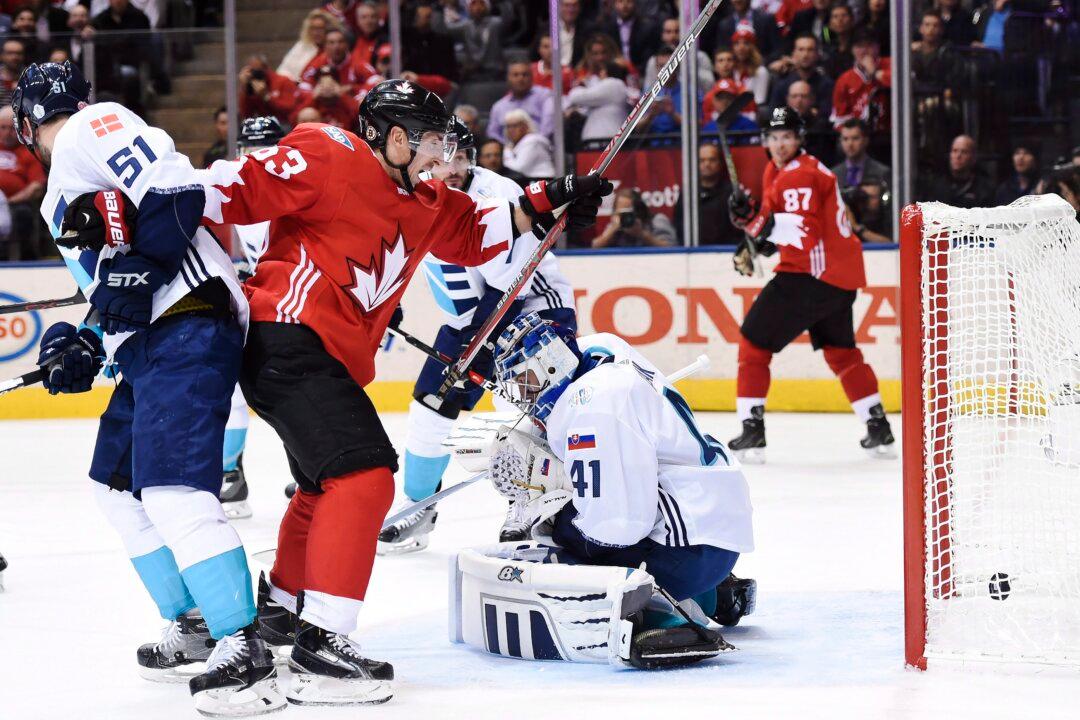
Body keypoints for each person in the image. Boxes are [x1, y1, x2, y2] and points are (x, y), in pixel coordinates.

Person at [198, 78, 611, 704]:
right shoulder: (330, 151)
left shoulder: (426, 200)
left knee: (321, 486)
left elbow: (483, 228)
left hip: (322, 355)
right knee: (365, 476)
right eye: (430, 143)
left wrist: (559, 196)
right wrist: (129, 222)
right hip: (286, 338)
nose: (441, 157)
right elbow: (226, 190)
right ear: (393, 137)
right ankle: (323, 644)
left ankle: (282, 607)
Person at [20, 61, 281, 715]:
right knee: (115, 487)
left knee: (170, 492)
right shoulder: (67, 180)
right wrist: (88, 341)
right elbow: (118, 274)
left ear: (27, 122)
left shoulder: (89, 125)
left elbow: (172, 189)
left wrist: (138, 268)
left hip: (187, 323)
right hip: (151, 343)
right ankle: (195, 623)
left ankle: (242, 646)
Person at [482, 313, 756, 667]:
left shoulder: (593, 408)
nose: (524, 395)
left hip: (693, 550)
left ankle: (664, 615)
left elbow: (618, 527)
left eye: (526, 382)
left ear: (551, 365)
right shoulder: (600, 350)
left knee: (563, 538)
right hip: (712, 523)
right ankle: (712, 593)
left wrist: (548, 511)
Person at [379, 119, 576, 553]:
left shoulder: (498, 196)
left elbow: (512, 284)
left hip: (533, 310)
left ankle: (534, 506)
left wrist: (476, 349)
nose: (451, 169)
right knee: (431, 401)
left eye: (462, 158)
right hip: (472, 318)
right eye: (442, 157)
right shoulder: (415, 188)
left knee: (524, 410)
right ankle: (419, 507)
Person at [727, 106, 895, 462]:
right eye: (774, 137)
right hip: (837, 277)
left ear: (799, 138)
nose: (780, 143)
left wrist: (753, 226)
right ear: (765, 141)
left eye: (787, 136)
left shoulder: (797, 176)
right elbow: (783, 227)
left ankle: (751, 428)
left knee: (753, 343)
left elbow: (803, 235)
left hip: (813, 276)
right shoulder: (780, 170)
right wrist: (754, 236)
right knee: (841, 352)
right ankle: (877, 424)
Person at [0, 104, 44, 260]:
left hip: (15, 203)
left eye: (11, 128)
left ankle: (24, 260)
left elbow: (36, 187)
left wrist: (7, 202)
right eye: (3, 128)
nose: (7, 133)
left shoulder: (28, 151)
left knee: (23, 214)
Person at [675, 144, 737, 245]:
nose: (707, 164)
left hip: (725, 251)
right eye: (702, 160)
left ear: (720, 163)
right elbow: (679, 226)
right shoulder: (688, 192)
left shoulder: (731, 192)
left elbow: (737, 230)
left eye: (712, 160)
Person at [918, 134, 994, 208]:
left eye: (964, 152)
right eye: (955, 151)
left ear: (973, 157)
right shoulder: (935, 186)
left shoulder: (984, 190)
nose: (958, 156)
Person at [767, 34, 833, 118]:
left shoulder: (827, 85)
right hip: (788, 128)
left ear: (817, 54)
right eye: (801, 49)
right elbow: (773, 115)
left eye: (810, 50)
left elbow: (827, 114)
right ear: (793, 53)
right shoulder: (782, 85)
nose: (805, 55)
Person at [487, 61, 554, 144]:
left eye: (525, 75)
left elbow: (548, 129)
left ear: (532, 77)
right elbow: (493, 135)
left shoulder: (544, 97)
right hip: (508, 151)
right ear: (508, 78)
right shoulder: (498, 107)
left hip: (538, 147)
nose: (520, 78)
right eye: (516, 75)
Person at [643, 17, 714, 92]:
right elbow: (647, 90)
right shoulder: (654, 60)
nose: (673, 36)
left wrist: (686, 66)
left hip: (695, 99)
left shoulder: (699, 56)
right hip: (666, 100)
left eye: (677, 31)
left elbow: (710, 85)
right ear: (662, 35)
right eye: (668, 32)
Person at [566, 61, 630, 143]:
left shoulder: (613, 84)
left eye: (602, 70)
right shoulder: (612, 91)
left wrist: (578, 86)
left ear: (606, 72)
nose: (600, 74)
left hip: (604, 141)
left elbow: (575, 97)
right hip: (601, 141)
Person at [592, 187, 675, 248]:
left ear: (639, 210)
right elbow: (595, 246)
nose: (626, 218)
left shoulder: (657, 221)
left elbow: (673, 249)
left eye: (629, 213)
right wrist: (611, 232)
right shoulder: (617, 223)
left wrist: (643, 235)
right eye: (622, 213)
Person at [238, 54, 306, 125]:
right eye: (252, 71)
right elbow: (246, 114)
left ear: (266, 68)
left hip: (283, 123)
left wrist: (266, 97)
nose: (256, 74)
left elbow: (289, 109)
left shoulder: (283, 81)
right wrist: (245, 89)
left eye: (258, 70)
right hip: (262, 123)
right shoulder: (250, 85)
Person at [594, 0, 660, 70]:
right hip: (613, 70)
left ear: (635, 3)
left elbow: (647, 58)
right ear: (614, 4)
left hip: (639, 73)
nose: (625, 6)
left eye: (629, 1)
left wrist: (629, 67)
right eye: (620, 1)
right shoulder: (606, 26)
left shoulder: (646, 28)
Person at [277, 9, 336, 83]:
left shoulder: (334, 48)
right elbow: (284, 70)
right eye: (313, 28)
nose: (316, 33)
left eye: (320, 29)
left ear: (328, 29)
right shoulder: (301, 46)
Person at [831, 118, 889, 189]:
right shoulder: (833, 175)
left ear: (866, 140)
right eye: (845, 139)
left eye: (855, 138)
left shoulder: (882, 173)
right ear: (840, 142)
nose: (850, 144)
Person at [502, 109, 556, 179]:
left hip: (543, 181)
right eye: (508, 126)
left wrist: (507, 152)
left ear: (526, 126)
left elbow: (518, 169)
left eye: (515, 126)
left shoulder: (532, 141)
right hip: (530, 181)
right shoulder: (514, 144)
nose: (510, 130)